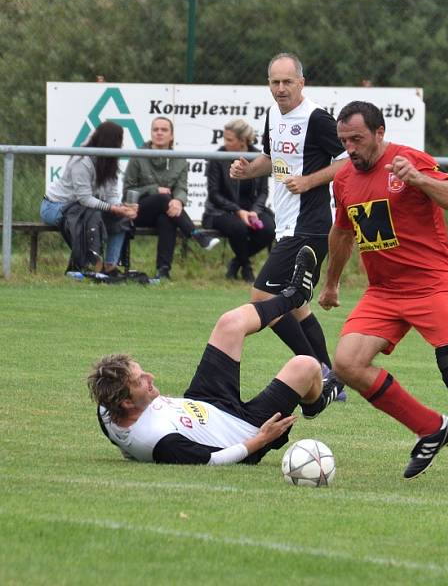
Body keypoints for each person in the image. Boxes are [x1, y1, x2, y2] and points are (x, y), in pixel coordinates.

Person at [318, 101, 448, 490]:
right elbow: (342, 233)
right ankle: (432, 428)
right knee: (346, 364)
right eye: (344, 141)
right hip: (384, 292)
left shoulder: (409, 160)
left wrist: (418, 180)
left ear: (380, 133)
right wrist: (331, 283)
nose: (351, 148)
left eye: (358, 139)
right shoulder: (343, 178)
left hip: (432, 284)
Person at [88, 247, 341, 465]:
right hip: (246, 429)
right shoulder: (158, 441)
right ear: (127, 404)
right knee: (306, 366)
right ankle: (315, 403)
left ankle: (294, 296)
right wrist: (262, 439)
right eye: (140, 380)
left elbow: (120, 436)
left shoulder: (106, 409)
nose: (149, 376)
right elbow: (212, 461)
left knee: (229, 323)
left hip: (204, 401)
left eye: (141, 371)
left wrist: (127, 450)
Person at [230, 52, 348, 398]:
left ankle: (313, 367)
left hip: (310, 226)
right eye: (274, 82)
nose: (281, 89)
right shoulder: (272, 115)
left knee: (263, 295)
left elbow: (348, 162)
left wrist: (311, 181)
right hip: (286, 224)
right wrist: (248, 169)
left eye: (287, 82)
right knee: (296, 305)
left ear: (301, 82)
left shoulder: (318, 119)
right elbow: (272, 159)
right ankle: (332, 382)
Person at [124, 116, 220, 280]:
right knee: (163, 198)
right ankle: (196, 234)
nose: (159, 133)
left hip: (164, 211)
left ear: (172, 135)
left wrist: (178, 201)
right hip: (137, 211)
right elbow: (127, 191)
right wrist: (154, 190)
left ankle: (163, 271)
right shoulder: (138, 156)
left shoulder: (179, 159)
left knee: (167, 217)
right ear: (151, 133)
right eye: (156, 129)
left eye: (164, 130)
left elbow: (182, 188)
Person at [41, 120, 136, 274]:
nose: (121, 144)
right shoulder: (82, 160)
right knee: (91, 215)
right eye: (119, 140)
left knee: (121, 219)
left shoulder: (111, 161)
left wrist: (121, 209)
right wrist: (112, 208)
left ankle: (111, 266)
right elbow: (84, 199)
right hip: (55, 206)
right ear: (111, 141)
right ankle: (92, 265)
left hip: (84, 208)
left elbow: (111, 195)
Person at [202, 118, 276, 282]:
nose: (225, 142)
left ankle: (236, 263)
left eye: (229, 139)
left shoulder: (259, 157)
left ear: (243, 141)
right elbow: (214, 194)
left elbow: (263, 191)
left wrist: (255, 211)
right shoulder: (218, 157)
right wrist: (238, 211)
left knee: (269, 229)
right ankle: (247, 268)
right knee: (239, 228)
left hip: (251, 209)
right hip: (221, 211)